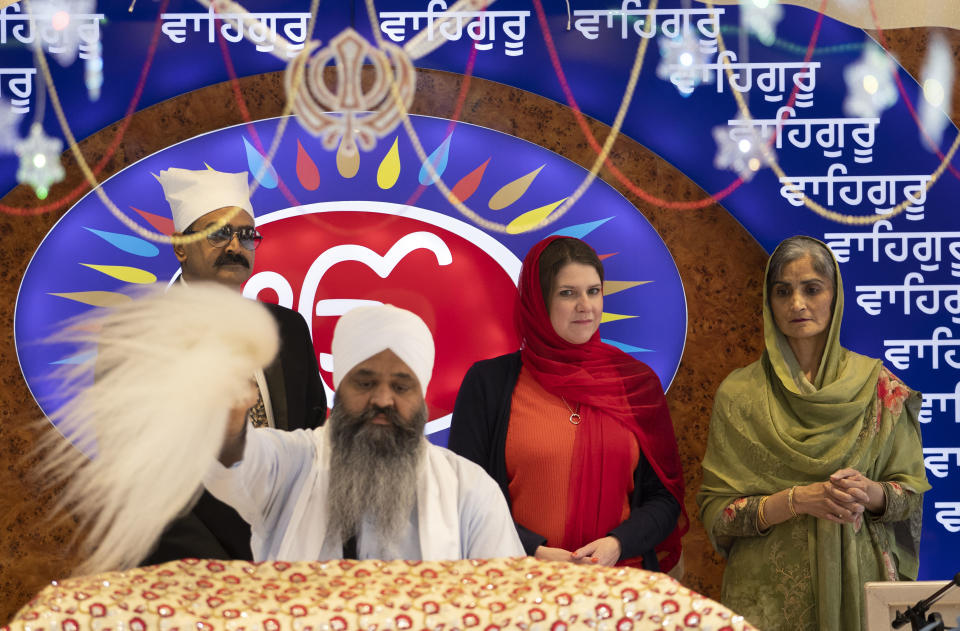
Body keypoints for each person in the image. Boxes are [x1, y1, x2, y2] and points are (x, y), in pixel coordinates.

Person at [697, 236, 930, 631]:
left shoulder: (881, 388)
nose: (797, 304)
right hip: (766, 598)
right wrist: (797, 500)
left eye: (812, 289)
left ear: (835, 296)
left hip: (863, 592)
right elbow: (718, 516)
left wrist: (869, 493)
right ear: (769, 303)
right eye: (783, 291)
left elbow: (909, 498)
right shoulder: (740, 395)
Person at [205, 304, 525, 561]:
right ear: (339, 388)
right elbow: (236, 461)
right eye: (365, 383)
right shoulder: (292, 465)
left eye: (401, 386)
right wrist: (229, 417)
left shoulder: (470, 491)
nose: (383, 400)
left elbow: (505, 604)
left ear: (422, 395)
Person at [448, 236, 686, 572]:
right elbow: (464, 498)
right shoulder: (489, 384)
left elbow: (664, 499)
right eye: (567, 293)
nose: (585, 306)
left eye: (593, 291)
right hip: (520, 581)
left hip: (620, 584)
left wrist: (617, 544)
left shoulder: (636, 384)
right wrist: (535, 551)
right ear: (538, 300)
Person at [145, 167, 327, 564]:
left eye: (247, 235)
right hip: (187, 575)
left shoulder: (287, 329)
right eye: (218, 233)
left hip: (290, 561)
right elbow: (140, 483)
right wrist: (226, 571)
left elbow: (313, 444)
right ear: (180, 246)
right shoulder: (140, 338)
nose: (235, 246)